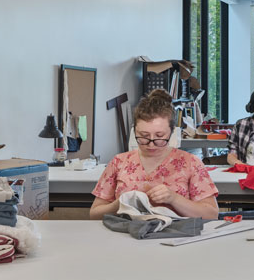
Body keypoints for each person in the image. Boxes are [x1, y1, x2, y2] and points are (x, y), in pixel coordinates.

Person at [89, 89, 219, 220]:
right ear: (134, 131)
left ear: (172, 132)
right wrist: (119, 204)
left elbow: (211, 214)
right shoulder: (119, 162)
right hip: (127, 236)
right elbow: (94, 214)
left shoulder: (190, 163)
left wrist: (174, 198)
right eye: (144, 136)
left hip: (176, 237)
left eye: (159, 136)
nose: (151, 144)